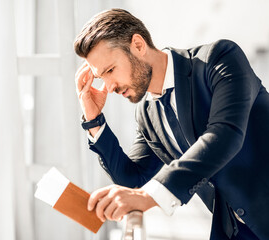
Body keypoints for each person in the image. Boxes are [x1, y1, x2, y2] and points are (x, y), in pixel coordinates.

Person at [74, 8, 269, 240]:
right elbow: (132, 181)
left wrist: (150, 196)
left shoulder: (218, 58)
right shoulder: (147, 114)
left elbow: (224, 134)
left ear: (138, 44)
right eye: (100, 77)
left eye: (110, 70)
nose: (109, 86)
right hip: (234, 231)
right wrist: (94, 119)